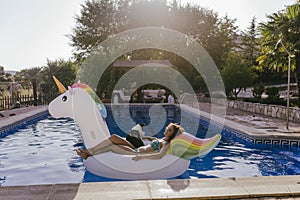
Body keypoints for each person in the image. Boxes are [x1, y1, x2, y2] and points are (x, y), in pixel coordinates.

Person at [76, 123, 184, 161]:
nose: (166, 130)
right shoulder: (161, 139)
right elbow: (153, 140)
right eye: (167, 128)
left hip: (136, 153)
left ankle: (89, 153)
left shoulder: (166, 144)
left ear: (172, 135)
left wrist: (142, 157)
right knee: (114, 137)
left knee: (112, 147)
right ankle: (89, 151)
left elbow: (159, 156)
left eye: (169, 130)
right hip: (135, 148)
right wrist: (144, 137)